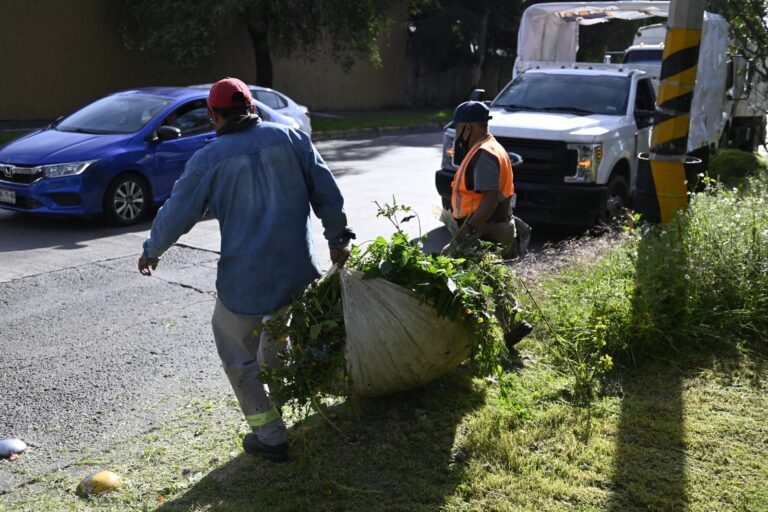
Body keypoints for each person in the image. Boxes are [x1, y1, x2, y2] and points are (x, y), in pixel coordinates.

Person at [137, 77, 355, 462]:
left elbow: (178, 213)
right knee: (278, 337)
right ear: (251, 107)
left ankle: (270, 436)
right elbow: (327, 192)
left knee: (237, 355)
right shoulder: (291, 138)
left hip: (246, 282)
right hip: (298, 273)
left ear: (213, 115)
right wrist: (338, 238)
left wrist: (153, 250)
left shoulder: (208, 159)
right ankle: (285, 404)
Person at [445, 100, 533, 348]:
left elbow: (490, 198)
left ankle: (464, 337)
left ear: (468, 128)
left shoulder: (484, 154)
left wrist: (469, 230)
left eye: (458, 128)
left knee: (456, 274)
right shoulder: (489, 147)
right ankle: (512, 326)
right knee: (493, 278)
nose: (456, 134)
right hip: (494, 224)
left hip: (485, 227)